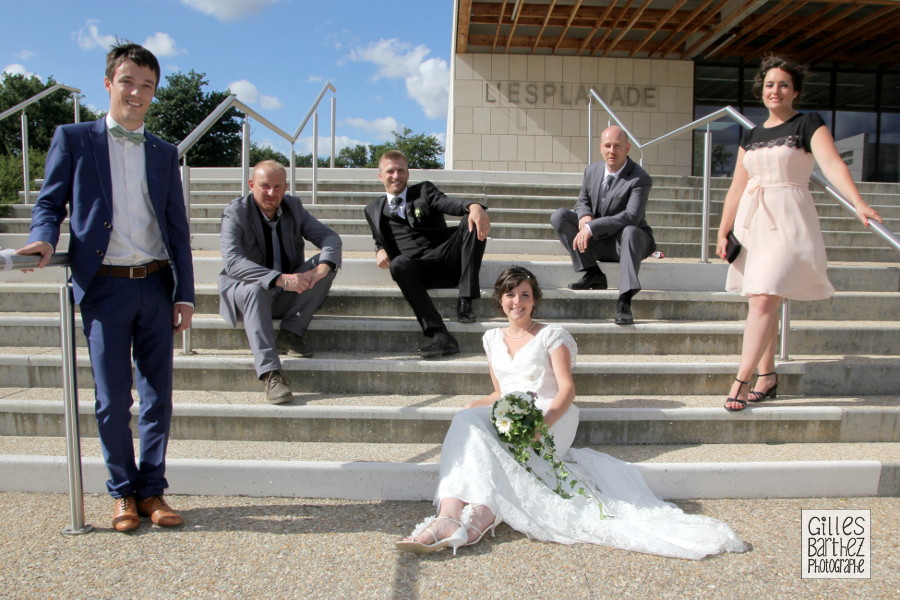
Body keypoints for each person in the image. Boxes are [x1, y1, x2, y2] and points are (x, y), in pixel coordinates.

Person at [396, 267, 748, 559]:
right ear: (499, 299)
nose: (516, 302)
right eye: (510, 294)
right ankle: (449, 517)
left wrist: (541, 425)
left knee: (487, 438)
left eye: (524, 295)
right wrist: (471, 409)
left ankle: (478, 518)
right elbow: (500, 391)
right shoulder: (491, 338)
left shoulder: (552, 335)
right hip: (508, 411)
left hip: (552, 413)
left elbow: (566, 389)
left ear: (534, 300)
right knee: (465, 423)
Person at [15, 42, 194, 532]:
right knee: (114, 399)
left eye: (147, 86)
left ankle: (152, 491)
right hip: (104, 288)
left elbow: (177, 227)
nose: (137, 93)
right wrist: (41, 241)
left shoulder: (163, 151)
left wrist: (185, 293)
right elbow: (49, 204)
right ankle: (121, 493)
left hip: (156, 284)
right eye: (128, 82)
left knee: (158, 397)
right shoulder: (74, 138)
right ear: (109, 83)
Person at [717, 56, 882, 412]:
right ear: (761, 91)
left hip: (789, 217)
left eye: (784, 85)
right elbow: (736, 186)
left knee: (763, 298)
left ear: (796, 91)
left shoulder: (808, 122)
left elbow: (833, 163)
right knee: (762, 299)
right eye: (769, 84)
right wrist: (723, 229)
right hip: (754, 220)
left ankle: (740, 381)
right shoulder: (751, 134)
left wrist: (858, 203)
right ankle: (768, 376)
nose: (776, 90)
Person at [218, 160, 341, 403]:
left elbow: (329, 237)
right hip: (247, 294)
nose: (272, 193)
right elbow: (233, 262)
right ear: (251, 184)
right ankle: (270, 373)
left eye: (277, 187)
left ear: (285, 187)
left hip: (286, 291)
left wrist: (323, 267)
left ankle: (290, 333)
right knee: (255, 289)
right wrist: (280, 279)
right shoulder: (236, 212)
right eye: (265, 186)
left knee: (325, 264)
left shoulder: (294, 207)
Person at [364, 150, 490, 358]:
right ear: (380, 176)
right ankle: (440, 335)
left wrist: (473, 206)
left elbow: (447, 203)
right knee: (399, 264)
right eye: (390, 171)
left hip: (447, 259)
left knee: (470, 220)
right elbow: (379, 238)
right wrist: (379, 249)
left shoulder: (424, 191)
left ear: (408, 173)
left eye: (401, 170)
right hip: (417, 270)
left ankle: (465, 298)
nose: (396, 176)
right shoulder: (372, 209)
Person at [551, 126, 656, 325]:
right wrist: (584, 216)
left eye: (617, 146)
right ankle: (593, 273)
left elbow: (631, 216)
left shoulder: (639, 178)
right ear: (600, 148)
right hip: (599, 240)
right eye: (607, 146)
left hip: (628, 242)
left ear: (627, 148)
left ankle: (624, 300)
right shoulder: (592, 171)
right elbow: (583, 200)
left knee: (631, 231)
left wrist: (592, 227)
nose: (612, 151)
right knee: (560, 217)